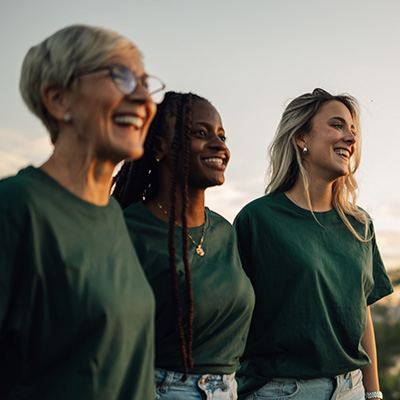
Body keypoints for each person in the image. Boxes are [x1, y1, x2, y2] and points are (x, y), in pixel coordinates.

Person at [0, 24, 166, 399]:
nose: (144, 98)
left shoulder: (111, 215)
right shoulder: (16, 208)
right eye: (121, 76)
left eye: (145, 82)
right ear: (58, 100)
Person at [234, 88, 393, 400]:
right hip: (282, 391)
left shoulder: (359, 225)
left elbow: (362, 316)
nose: (350, 137)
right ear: (300, 138)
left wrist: (373, 394)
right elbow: (229, 317)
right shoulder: (258, 220)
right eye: (337, 125)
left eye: (353, 130)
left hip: (352, 390)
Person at [112, 91, 255, 400]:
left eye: (221, 135)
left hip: (230, 390)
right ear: (161, 146)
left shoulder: (224, 232)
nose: (219, 145)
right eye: (200, 133)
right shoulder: (128, 230)